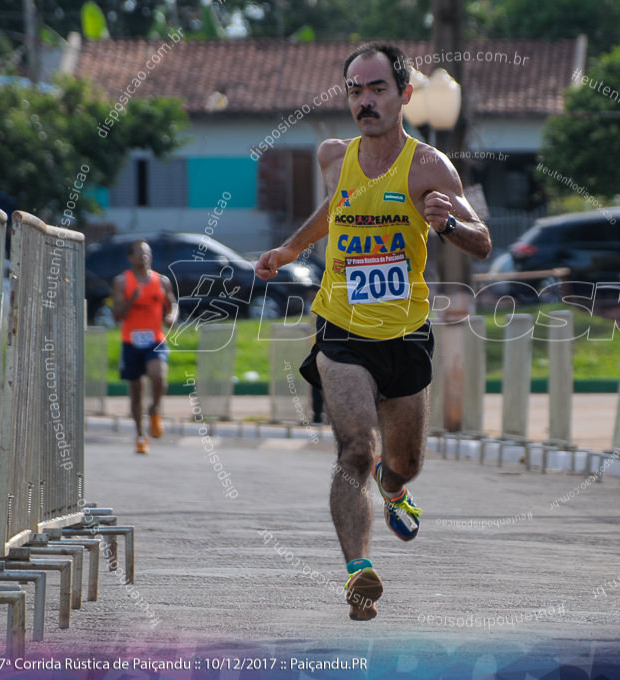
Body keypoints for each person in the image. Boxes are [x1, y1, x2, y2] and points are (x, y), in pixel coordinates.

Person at [256, 42, 491, 620]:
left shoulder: (430, 166)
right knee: (356, 448)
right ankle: (358, 571)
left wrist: (450, 223)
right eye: (355, 91)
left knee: (402, 462)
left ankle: (394, 491)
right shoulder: (335, 156)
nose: (365, 101)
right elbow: (335, 207)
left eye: (377, 89)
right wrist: (291, 247)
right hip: (341, 327)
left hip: (406, 333)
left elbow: (483, 241)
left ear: (404, 95)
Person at [112, 240, 178, 455]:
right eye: (139, 253)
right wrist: (131, 300)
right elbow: (116, 316)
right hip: (130, 341)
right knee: (136, 391)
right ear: (130, 257)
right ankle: (140, 435)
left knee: (158, 377)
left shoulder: (162, 281)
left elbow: (173, 304)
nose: (144, 257)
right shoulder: (122, 281)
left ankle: (155, 410)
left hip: (155, 339)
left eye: (147, 253)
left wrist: (170, 317)